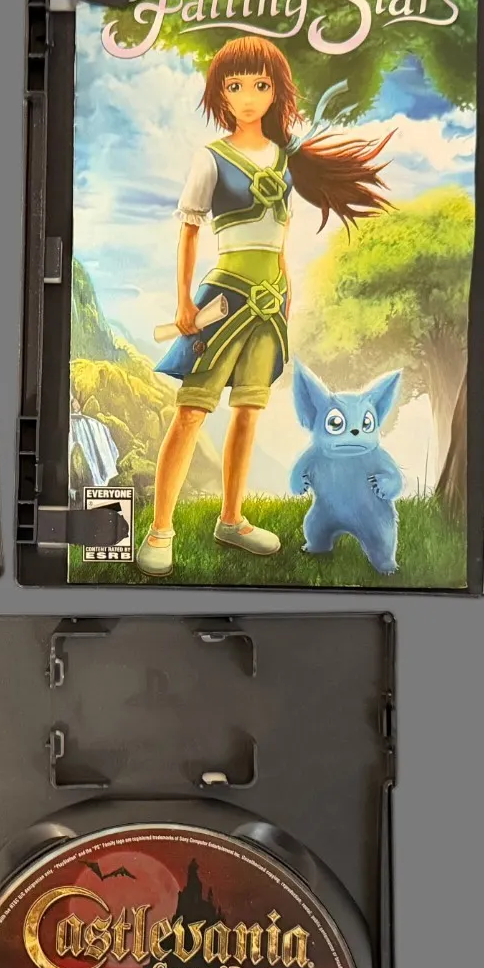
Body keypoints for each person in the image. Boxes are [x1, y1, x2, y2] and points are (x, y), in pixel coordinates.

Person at [137, 36, 391, 578]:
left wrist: (287, 293)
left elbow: (280, 238)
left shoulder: (285, 159)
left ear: (275, 91)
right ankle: (160, 530)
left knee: (249, 411)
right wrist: (183, 301)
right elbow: (189, 231)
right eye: (235, 86)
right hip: (224, 298)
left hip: (270, 303)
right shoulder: (211, 158)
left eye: (260, 85)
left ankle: (231, 519)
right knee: (192, 410)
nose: (248, 97)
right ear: (220, 94)